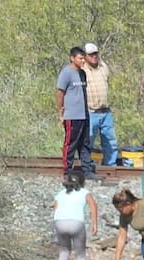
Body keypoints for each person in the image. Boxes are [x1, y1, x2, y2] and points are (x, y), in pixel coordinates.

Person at [52, 170, 98, 260]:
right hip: (76, 223)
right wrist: (94, 224)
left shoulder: (61, 193)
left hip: (59, 222)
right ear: (82, 182)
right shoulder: (85, 193)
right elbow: (93, 205)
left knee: (64, 251)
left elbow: (56, 208)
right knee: (80, 255)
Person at [57, 46, 95, 177]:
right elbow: (60, 93)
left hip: (84, 114)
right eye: (80, 58)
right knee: (70, 143)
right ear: (72, 58)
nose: (83, 61)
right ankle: (67, 171)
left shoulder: (82, 73)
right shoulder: (66, 73)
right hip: (72, 116)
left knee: (85, 144)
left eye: (84, 58)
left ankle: (87, 170)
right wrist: (60, 111)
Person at [82, 43, 120, 169]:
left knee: (110, 141)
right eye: (91, 54)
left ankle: (110, 165)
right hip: (91, 111)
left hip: (106, 111)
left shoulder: (103, 67)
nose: (94, 56)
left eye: (95, 53)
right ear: (85, 56)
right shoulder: (82, 70)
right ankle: (87, 165)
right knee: (89, 140)